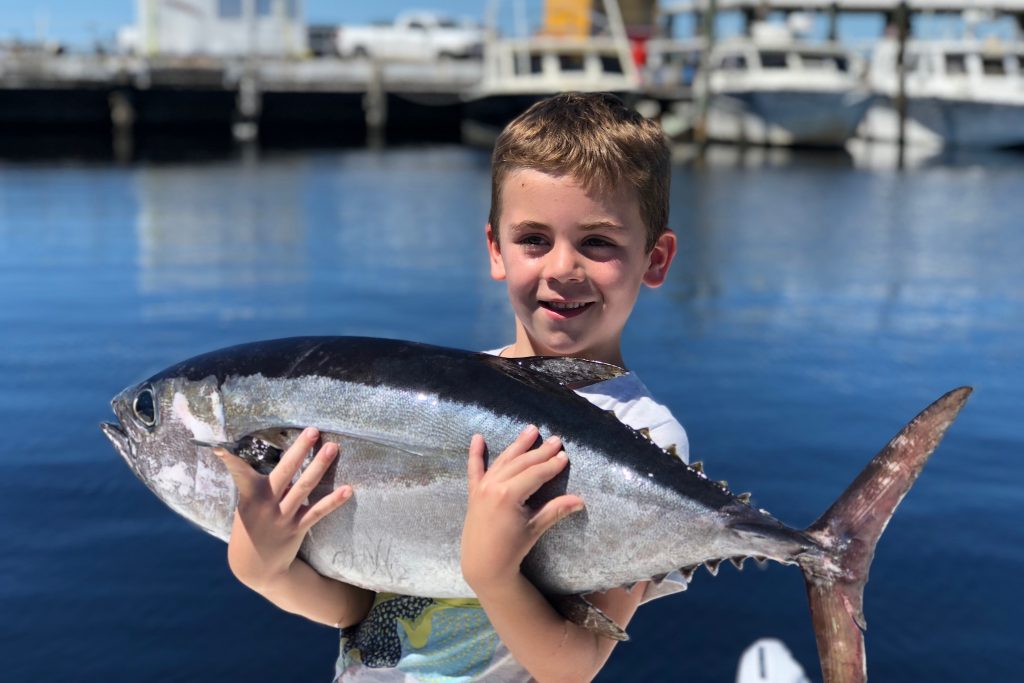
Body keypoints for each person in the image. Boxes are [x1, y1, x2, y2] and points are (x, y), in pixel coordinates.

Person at [215, 92, 690, 682]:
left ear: (656, 257)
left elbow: (574, 665)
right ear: (496, 248)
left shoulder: (644, 435)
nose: (562, 268)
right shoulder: (447, 401)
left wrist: (492, 572)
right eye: (534, 240)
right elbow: (360, 609)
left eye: (598, 243)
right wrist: (266, 569)